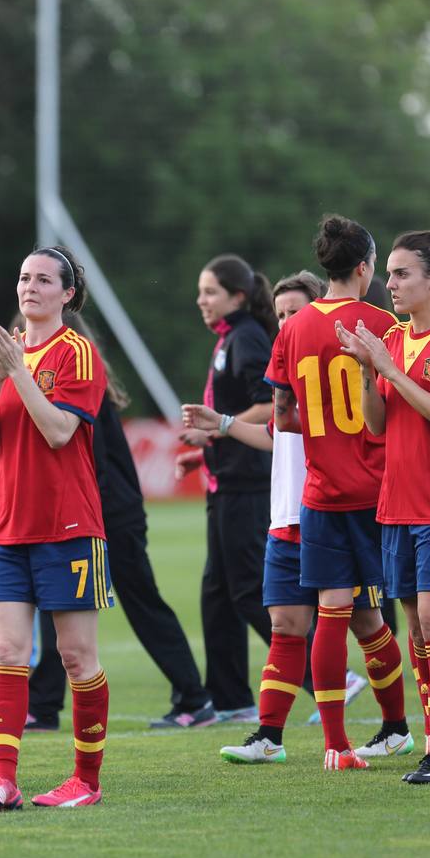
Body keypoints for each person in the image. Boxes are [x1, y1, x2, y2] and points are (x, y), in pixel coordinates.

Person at [185, 272, 383, 764]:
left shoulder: (339, 374)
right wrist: (226, 426)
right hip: (287, 516)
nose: (287, 323)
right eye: (280, 315)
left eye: (295, 312)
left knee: (368, 624)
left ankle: (394, 726)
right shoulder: (289, 379)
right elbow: (278, 432)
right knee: (286, 624)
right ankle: (270, 737)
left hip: (335, 511)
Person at [0, 246, 113, 810]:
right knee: (8, 652)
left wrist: (19, 373)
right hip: (4, 527)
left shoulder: (78, 354)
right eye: (24, 277)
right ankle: (2, 777)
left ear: (67, 294)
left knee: (76, 656)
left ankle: (86, 781)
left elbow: (57, 432)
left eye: (44, 280)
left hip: (67, 526)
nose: (30, 287)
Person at [337, 230, 430, 784]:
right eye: (390, 273)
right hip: (397, 505)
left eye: (402, 274)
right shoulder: (394, 340)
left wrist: (390, 367)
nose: (390, 283)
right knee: (417, 634)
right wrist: (366, 369)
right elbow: (377, 425)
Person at [263, 216, 410, 771]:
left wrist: (323, 426)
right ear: (367, 267)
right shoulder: (382, 324)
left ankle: (336, 746)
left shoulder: (293, 328)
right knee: (415, 615)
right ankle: (407, 728)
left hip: (321, 493)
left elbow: (283, 417)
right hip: (383, 492)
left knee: (333, 613)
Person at [27, 309, 214, 732]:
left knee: (140, 601)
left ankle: (194, 697)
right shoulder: (79, 385)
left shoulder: (79, 385)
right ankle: (43, 704)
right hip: (96, 510)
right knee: (55, 605)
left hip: (108, 513)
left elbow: (93, 464)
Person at [177, 254, 277, 722]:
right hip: (226, 479)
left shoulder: (247, 336)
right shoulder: (229, 338)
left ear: (237, 296)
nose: (201, 300)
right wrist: (205, 442)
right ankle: (233, 698)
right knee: (216, 593)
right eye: (200, 291)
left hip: (247, 483)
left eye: (211, 291)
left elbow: (270, 407)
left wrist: (218, 427)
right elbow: (234, 416)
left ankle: (328, 678)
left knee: (246, 591)